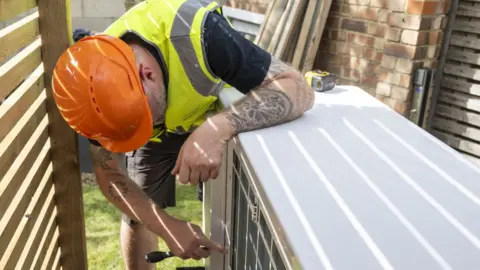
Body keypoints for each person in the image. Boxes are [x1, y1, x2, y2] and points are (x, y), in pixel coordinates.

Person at [52, 0, 315, 269]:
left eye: (142, 122)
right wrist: (167, 227)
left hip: (208, 108)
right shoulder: (92, 92)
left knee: (226, 207)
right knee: (136, 214)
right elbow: (109, 173)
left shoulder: (202, 36)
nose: (140, 133)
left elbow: (297, 89)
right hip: (162, 104)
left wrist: (216, 129)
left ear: (147, 73)